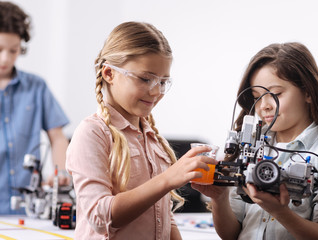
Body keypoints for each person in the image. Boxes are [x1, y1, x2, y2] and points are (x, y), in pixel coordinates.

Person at [65, 21, 217, 239]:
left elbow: (162, 215)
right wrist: (167, 180)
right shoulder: (92, 133)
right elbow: (100, 217)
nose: (156, 92)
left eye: (163, 82)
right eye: (145, 79)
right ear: (109, 73)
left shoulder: (152, 137)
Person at [193, 42, 318, 239]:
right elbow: (231, 234)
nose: (264, 106)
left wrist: (280, 211)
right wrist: (219, 199)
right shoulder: (249, 147)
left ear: (307, 92)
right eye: (256, 97)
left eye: (275, 94)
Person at [0, 1, 70, 215]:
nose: (6, 58)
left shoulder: (36, 87)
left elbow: (57, 137)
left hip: (28, 208)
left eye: (13, 51)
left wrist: (60, 171)